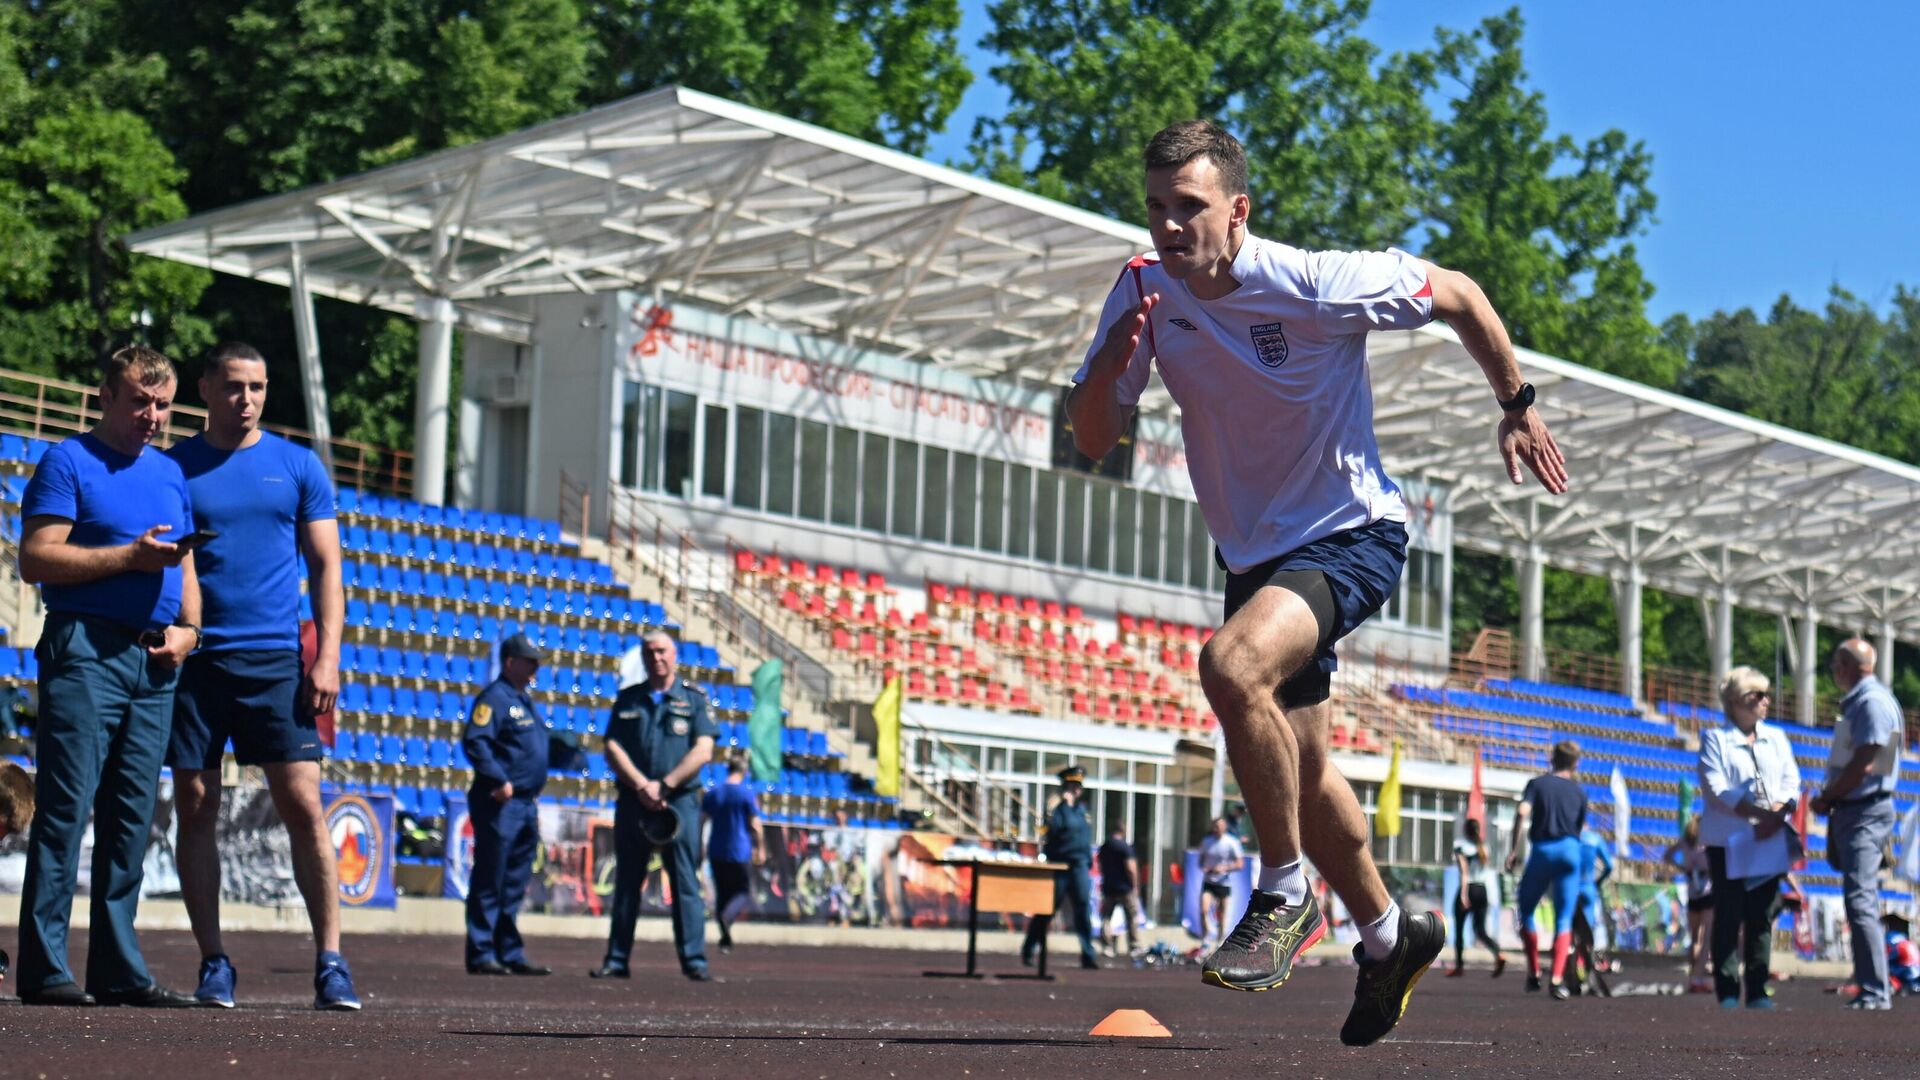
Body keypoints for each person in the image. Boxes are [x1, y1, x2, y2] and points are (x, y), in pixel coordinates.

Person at [1066, 120, 1566, 1046]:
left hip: (1352, 533)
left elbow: (1457, 293)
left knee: (1230, 667)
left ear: (1237, 211)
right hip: (1254, 556)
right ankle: (1389, 934)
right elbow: (1094, 436)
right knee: (1307, 769)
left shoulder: (1313, 283)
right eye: (1156, 209)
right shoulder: (1142, 289)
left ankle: (1284, 893)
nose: (1170, 227)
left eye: (1191, 208)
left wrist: (1515, 404)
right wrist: (1106, 361)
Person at [162, 342, 356, 1011]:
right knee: (195, 805)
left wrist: (325, 656)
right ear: (207, 388)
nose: (247, 399)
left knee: (304, 806)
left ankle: (331, 960)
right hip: (197, 662)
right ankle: (214, 961)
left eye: (259, 388)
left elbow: (328, 566)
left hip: (275, 660)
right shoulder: (174, 467)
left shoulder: (297, 465)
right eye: (235, 386)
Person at [12, 346, 201, 1008]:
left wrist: (190, 630)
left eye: (163, 405)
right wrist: (127, 557)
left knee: (132, 818)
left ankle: (118, 965)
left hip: (154, 660)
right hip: (84, 649)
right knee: (65, 809)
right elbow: (36, 559)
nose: (152, 415)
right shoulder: (68, 461)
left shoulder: (171, 471)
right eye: (139, 402)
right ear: (105, 399)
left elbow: (185, 568)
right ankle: (44, 968)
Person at [593, 630, 717, 981]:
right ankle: (617, 959)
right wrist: (643, 785)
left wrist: (665, 785)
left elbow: (704, 750)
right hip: (635, 801)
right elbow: (612, 748)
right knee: (628, 883)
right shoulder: (629, 699)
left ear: (675, 655)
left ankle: (694, 961)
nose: (656, 658)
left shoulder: (694, 701)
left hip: (679, 804)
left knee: (685, 884)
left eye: (662, 651)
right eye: (649, 652)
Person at [1696, 666, 1800, 1009]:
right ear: (1736, 702)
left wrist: (1780, 811)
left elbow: (1791, 781)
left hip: (1767, 841)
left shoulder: (1777, 738)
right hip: (1729, 842)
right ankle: (1727, 989)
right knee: (1728, 912)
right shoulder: (1715, 739)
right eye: (1757, 696)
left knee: (1761, 915)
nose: (1765, 702)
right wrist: (1759, 815)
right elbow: (1716, 788)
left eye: (1765, 695)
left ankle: (1757, 988)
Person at [1809, 639, 1904, 1011]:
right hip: (1864, 808)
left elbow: (1867, 759)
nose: (1833, 671)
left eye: (1836, 663)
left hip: (1863, 810)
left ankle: (1875, 990)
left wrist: (1830, 795)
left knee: (1860, 899)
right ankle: (1872, 985)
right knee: (1859, 898)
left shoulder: (1870, 703)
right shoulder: (1876, 700)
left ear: (1848, 665)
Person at [461, 632, 554, 977]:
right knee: (491, 875)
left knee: (514, 880)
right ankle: (482, 950)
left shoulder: (523, 699)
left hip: (526, 805)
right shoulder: (495, 699)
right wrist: (499, 779)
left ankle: (508, 949)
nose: (536, 667)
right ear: (510, 662)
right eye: (530, 660)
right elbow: (476, 742)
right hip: (500, 803)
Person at [1504, 741, 1587, 1000]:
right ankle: (1558, 980)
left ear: (1552, 758)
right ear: (1576, 764)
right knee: (1563, 918)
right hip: (1571, 851)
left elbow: (1522, 811)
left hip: (1543, 850)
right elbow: (1581, 828)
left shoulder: (1537, 784)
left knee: (1526, 910)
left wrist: (1513, 849)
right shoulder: (1579, 792)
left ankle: (1534, 972)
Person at [1021, 765, 1098, 970]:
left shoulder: (1082, 810)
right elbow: (1052, 832)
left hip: (1079, 865)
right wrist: (1062, 803)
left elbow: (1085, 837)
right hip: (1061, 865)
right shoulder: (1058, 809)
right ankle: (1029, 949)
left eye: (1079, 786)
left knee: (1083, 911)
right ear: (1065, 786)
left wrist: (1088, 861)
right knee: (1047, 909)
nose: (1076, 790)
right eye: (1073, 786)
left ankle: (1088, 954)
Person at [702, 756, 764, 953]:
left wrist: (698, 845)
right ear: (744, 771)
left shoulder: (714, 793)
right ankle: (727, 918)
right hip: (739, 849)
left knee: (723, 892)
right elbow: (755, 824)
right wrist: (760, 847)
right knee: (742, 891)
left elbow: (701, 820)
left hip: (717, 849)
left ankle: (725, 938)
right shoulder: (746, 794)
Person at [1662, 817, 1716, 993]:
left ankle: (1694, 975)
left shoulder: (1685, 843)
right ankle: (1697, 977)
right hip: (1707, 894)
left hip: (1692, 895)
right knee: (1705, 937)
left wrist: (1682, 867)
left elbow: (1667, 855)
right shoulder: (1708, 845)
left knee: (1694, 938)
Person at [1447, 817, 1504, 976]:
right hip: (1482, 890)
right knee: (1480, 930)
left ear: (1466, 830)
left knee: (1459, 928)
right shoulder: (1484, 847)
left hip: (1470, 888)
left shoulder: (1460, 846)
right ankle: (1498, 953)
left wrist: (1464, 895)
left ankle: (1459, 966)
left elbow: (1464, 873)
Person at [1196, 816, 1246, 948]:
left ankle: (1220, 941)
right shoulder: (1207, 842)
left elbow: (1240, 864)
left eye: (1218, 826)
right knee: (1204, 909)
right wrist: (1205, 868)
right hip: (1209, 882)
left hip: (1224, 883)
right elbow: (1201, 860)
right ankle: (1206, 937)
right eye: (1214, 826)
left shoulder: (1231, 842)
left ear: (1224, 827)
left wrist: (1224, 868)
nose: (1216, 829)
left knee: (1222, 913)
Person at [1096, 825, 1143, 958]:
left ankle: (1107, 945)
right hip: (1125, 887)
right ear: (1123, 832)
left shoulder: (1105, 846)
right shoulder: (1125, 847)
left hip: (1109, 886)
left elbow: (1100, 864)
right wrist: (1135, 884)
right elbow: (1131, 868)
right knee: (1132, 916)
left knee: (1106, 917)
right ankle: (1133, 946)